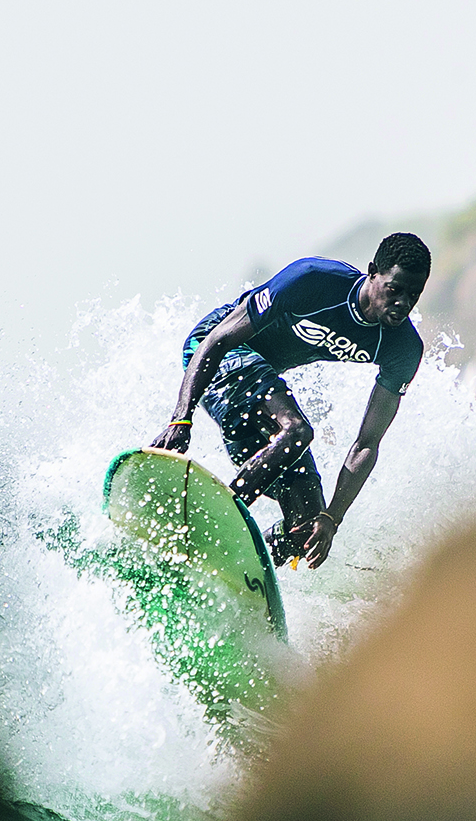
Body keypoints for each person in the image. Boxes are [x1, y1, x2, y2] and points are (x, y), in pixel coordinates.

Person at [149, 232, 430, 569]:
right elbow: (216, 340)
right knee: (296, 429)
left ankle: (228, 566)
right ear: (372, 272)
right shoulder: (313, 280)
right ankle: (212, 518)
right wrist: (181, 418)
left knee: (307, 526)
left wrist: (332, 518)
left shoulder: (403, 349)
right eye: (394, 289)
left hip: (256, 391)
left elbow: (367, 443)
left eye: (413, 294)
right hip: (218, 353)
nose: (402, 302)